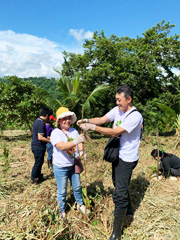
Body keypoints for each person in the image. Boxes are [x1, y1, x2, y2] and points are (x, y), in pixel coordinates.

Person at [78, 84, 143, 240]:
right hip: (117, 155)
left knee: (120, 192)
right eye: (116, 99)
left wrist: (92, 127)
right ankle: (128, 208)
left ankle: (117, 232)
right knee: (117, 182)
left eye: (119, 100)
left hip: (127, 158)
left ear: (129, 99)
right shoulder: (117, 110)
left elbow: (114, 131)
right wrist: (87, 120)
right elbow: (102, 119)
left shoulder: (135, 116)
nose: (117, 103)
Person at [50, 107, 90, 220]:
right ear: (58, 121)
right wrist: (76, 141)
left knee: (77, 187)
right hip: (61, 167)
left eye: (68, 119)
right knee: (62, 190)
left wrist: (82, 151)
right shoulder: (55, 133)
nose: (67, 121)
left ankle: (80, 204)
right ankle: (61, 210)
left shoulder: (74, 131)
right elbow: (61, 146)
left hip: (73, 165)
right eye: (64, 119)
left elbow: (80, 141)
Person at [31, 107, 52, 184]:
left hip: (36, 145)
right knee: (38, 163)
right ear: (46, 115)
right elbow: (40, 137)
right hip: (38, 146)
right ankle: (33, 179)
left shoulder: (37, 121)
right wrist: (50, 141)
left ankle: (38, 177)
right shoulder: (41, 123)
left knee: (40, 162)